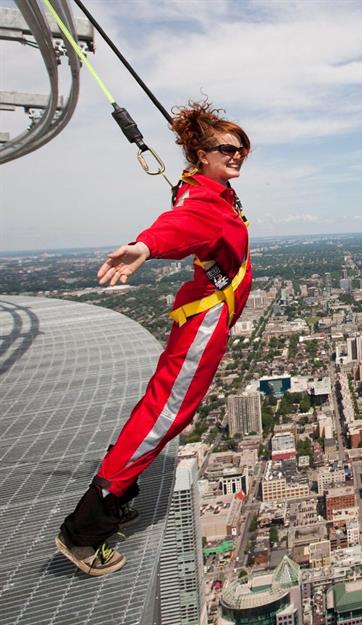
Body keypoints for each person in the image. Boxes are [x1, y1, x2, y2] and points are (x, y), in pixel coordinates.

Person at [55, 101, 253, 576]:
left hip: (206, 317)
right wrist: (146, 245)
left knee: (161, 411)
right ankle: (85, 532)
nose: (239, 153)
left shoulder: (210, 191)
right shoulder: (204, 200)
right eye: (227, 147)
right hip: (204, 323)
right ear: (202, 154)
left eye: (243, 146)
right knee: (161, 416)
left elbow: (191, 215)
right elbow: (181, 226)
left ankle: (118, 497)